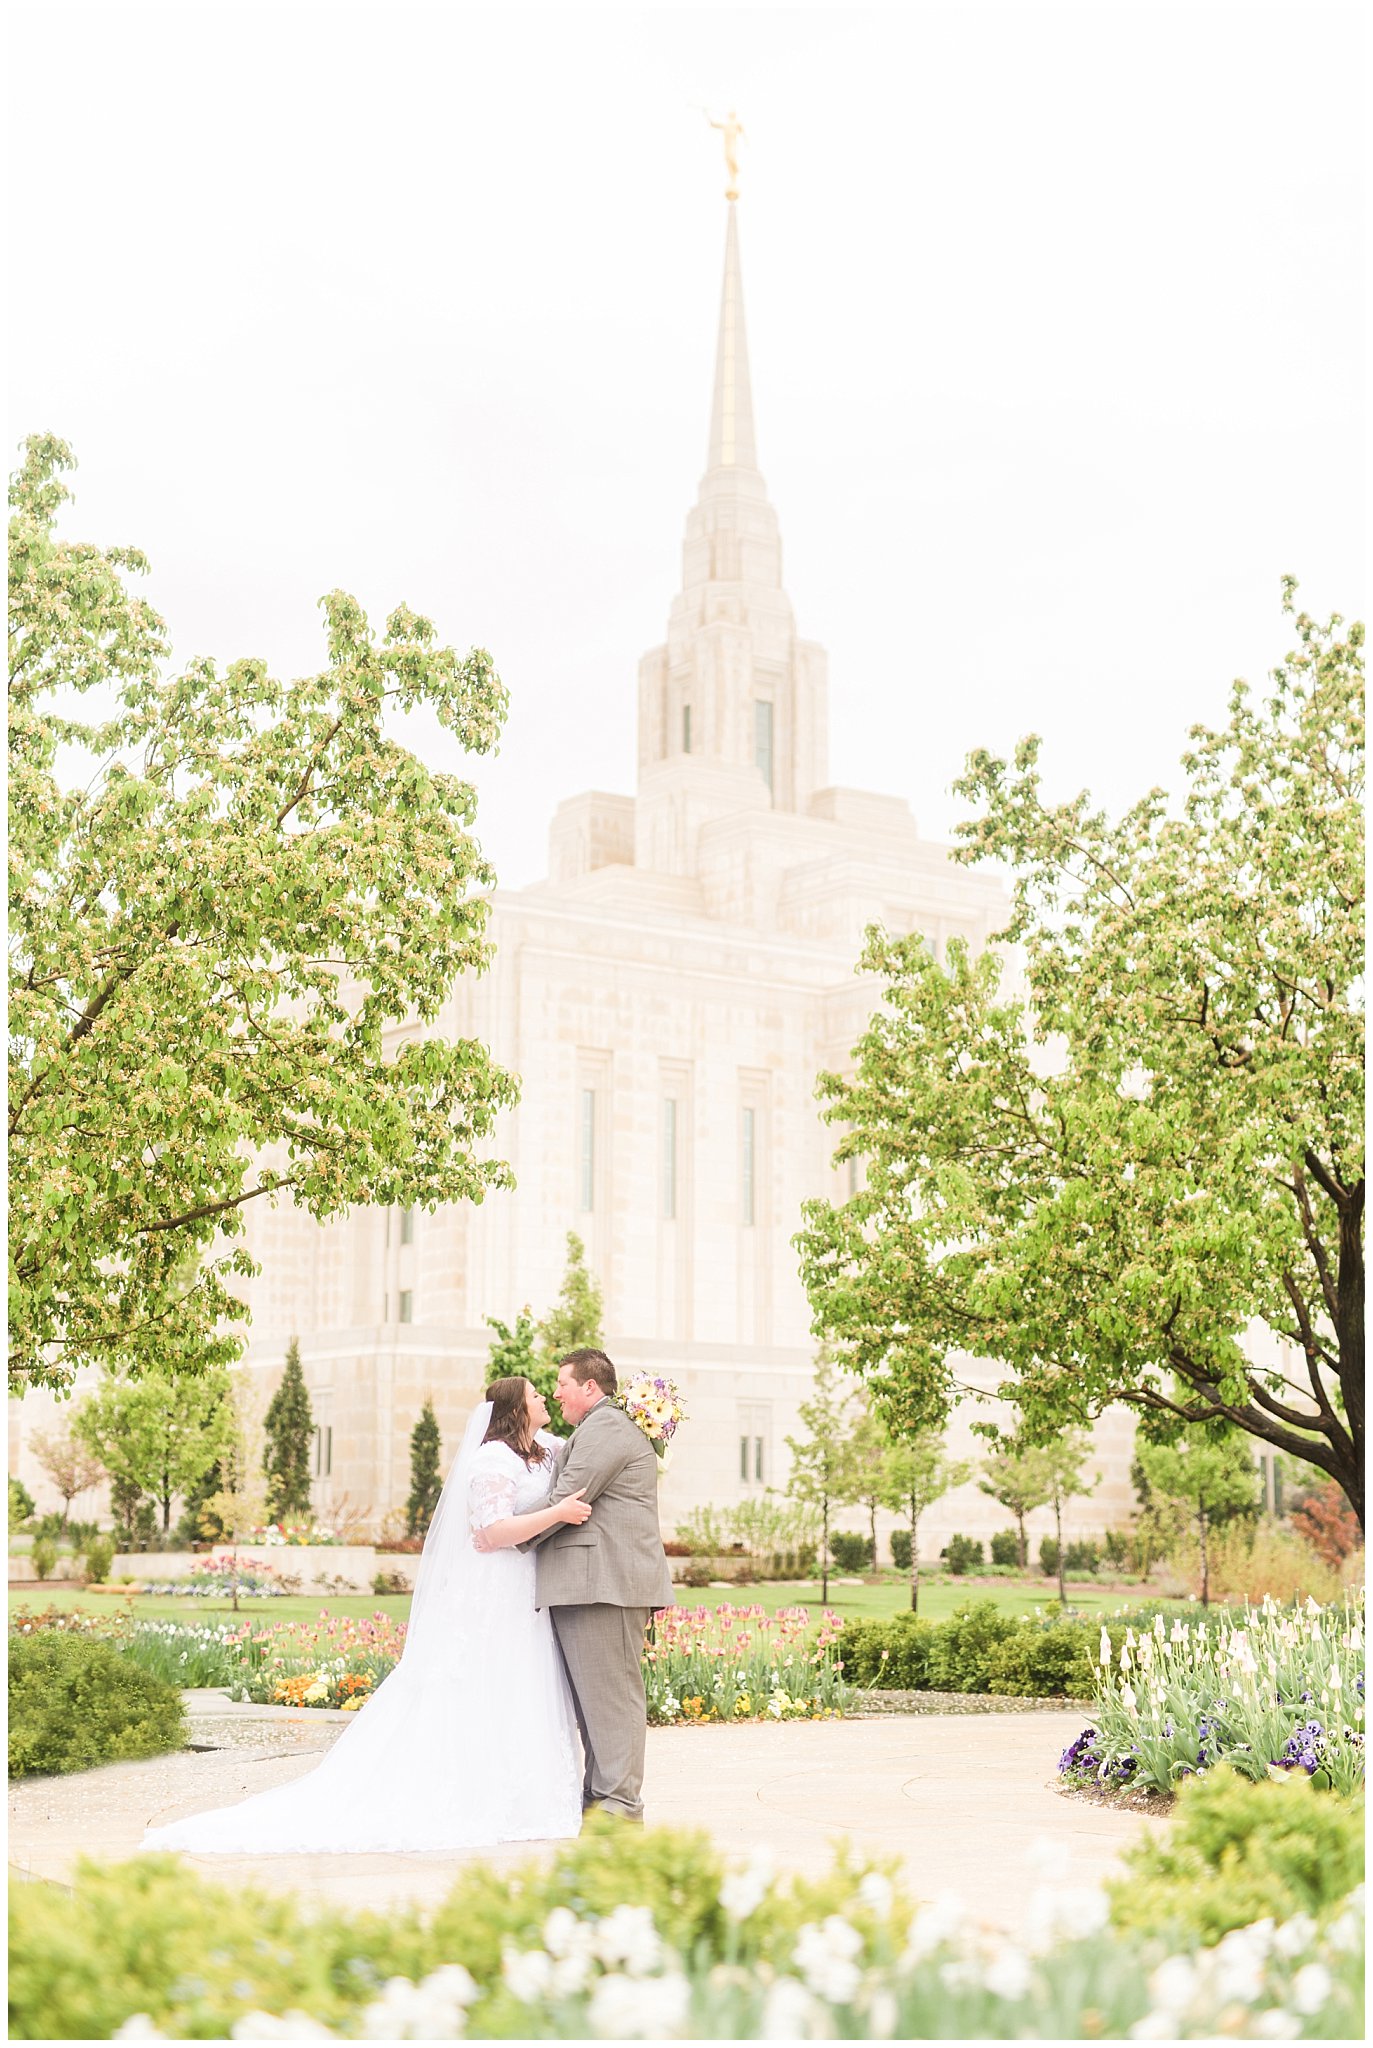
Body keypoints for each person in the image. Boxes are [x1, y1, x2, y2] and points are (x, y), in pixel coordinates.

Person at [141, 1377, 592, 1854]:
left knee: (523, 1683)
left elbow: (589, 1438)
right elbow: (492, 1531)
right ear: (515, 1410)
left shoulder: (542, 1448)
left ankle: (527, 1794)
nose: (545, 1398)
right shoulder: (492, 1460)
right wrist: (558, 1513)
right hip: (494, 1591)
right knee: (481, 1682)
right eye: (536, 1395)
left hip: (526, 1590)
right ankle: (481, 1795)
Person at [479, 1347, 674, 1823]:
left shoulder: (605, 1427)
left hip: (603, 1583)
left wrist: (499, 1528)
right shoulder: (591, 1430)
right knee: (595, 1702)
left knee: (611, 1699)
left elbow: (569, 1497)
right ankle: (599, 1799)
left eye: (562, 1383)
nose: (556, 1392)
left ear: (590, 1387)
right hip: (591, 1583)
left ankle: (620, 1806)